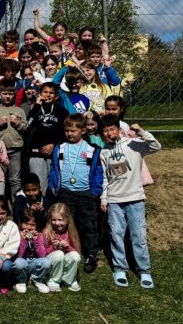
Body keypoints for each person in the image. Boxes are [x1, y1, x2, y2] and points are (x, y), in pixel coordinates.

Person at [100, 115, 161, 288]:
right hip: (114, 200)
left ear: (119, 130)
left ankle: (144, 270)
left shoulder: (133, 144)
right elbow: (105, 177)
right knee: (116, 235)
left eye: (112, 129)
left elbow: (156, 146)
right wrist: (104, 198)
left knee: (138, 236)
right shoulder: (104, 152)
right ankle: (120, 267)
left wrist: (141, 131)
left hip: (135, 199)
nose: (109, 133)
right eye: (105, 131)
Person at [48, 113, 103, 274]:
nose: (69, 134)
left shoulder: (92, 149)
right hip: (65, 192)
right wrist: (53, 184)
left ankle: (91, 254)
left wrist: (95, 191)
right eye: (67, 130)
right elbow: (54, 168)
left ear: (83, 131)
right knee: (65, 223)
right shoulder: (60, 148)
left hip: (85, 193)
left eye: (73, 131)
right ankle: (65, 249)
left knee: (88, 224)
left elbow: (98, 172)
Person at [26, 82, 68, 194]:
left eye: (51, 93)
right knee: (39, 184)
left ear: (56, 96)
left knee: (53, 183)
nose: (48, 95)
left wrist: (53, 144)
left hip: (53, 151)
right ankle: (39, 204)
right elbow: (28, 124)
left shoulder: (62, 111)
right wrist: (37, 106)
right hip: (36, 151)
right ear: (40, 94)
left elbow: (64, 132)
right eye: (45, 92)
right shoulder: (36, 109)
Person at [0, 78, 28, 199]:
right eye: (5, 93)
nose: (7, 96)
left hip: (15, 149)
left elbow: (25, 129)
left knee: (15, 180)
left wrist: (17, 123)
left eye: (10, 94)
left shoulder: (19, 110)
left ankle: (16, 206)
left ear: (15, 94)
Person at [43, 203, 82, 292]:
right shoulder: (47, 232)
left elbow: (77, 252)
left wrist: (68, 247)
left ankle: (68, 279)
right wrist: (53, 248)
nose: (57, 223)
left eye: (60, 220)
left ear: (67, 219)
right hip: (52, 264)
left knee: (74, 255)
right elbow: (42, 254)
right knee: (59, 254)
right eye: (53, 220)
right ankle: (53, 280)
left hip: (65, 263)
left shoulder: (71, 232)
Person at [12, 208, 51, 294]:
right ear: (20, 223)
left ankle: (37, 279)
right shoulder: (17, 235)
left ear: (37, 225)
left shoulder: (39, 235)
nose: (29, 228)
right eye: (26, 224)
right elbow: (19, 256)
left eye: (32, 225)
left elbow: (42, 255)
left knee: (46, 262)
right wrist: (23, 240)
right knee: (18, 262)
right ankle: (21, 281)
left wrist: (36, 241)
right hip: (23, 263)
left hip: (34, 263)